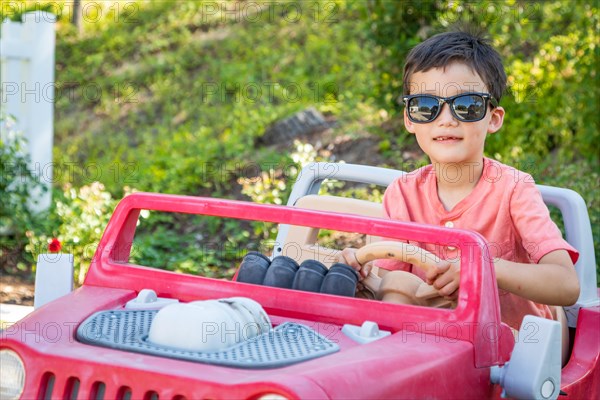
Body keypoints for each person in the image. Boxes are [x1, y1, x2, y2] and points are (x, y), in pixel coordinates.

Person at [338, 29, 580, 333]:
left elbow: (566, 284)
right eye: (426, 106)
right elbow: (390, 287)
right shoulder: (402, 194)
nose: (446, 118)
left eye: (467, 106)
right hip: (432, 341)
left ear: (493, 118)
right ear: (409, 119)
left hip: (514, 352)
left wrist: (485, 269)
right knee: (397, 282)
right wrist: (360, 277)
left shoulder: (513, 190)